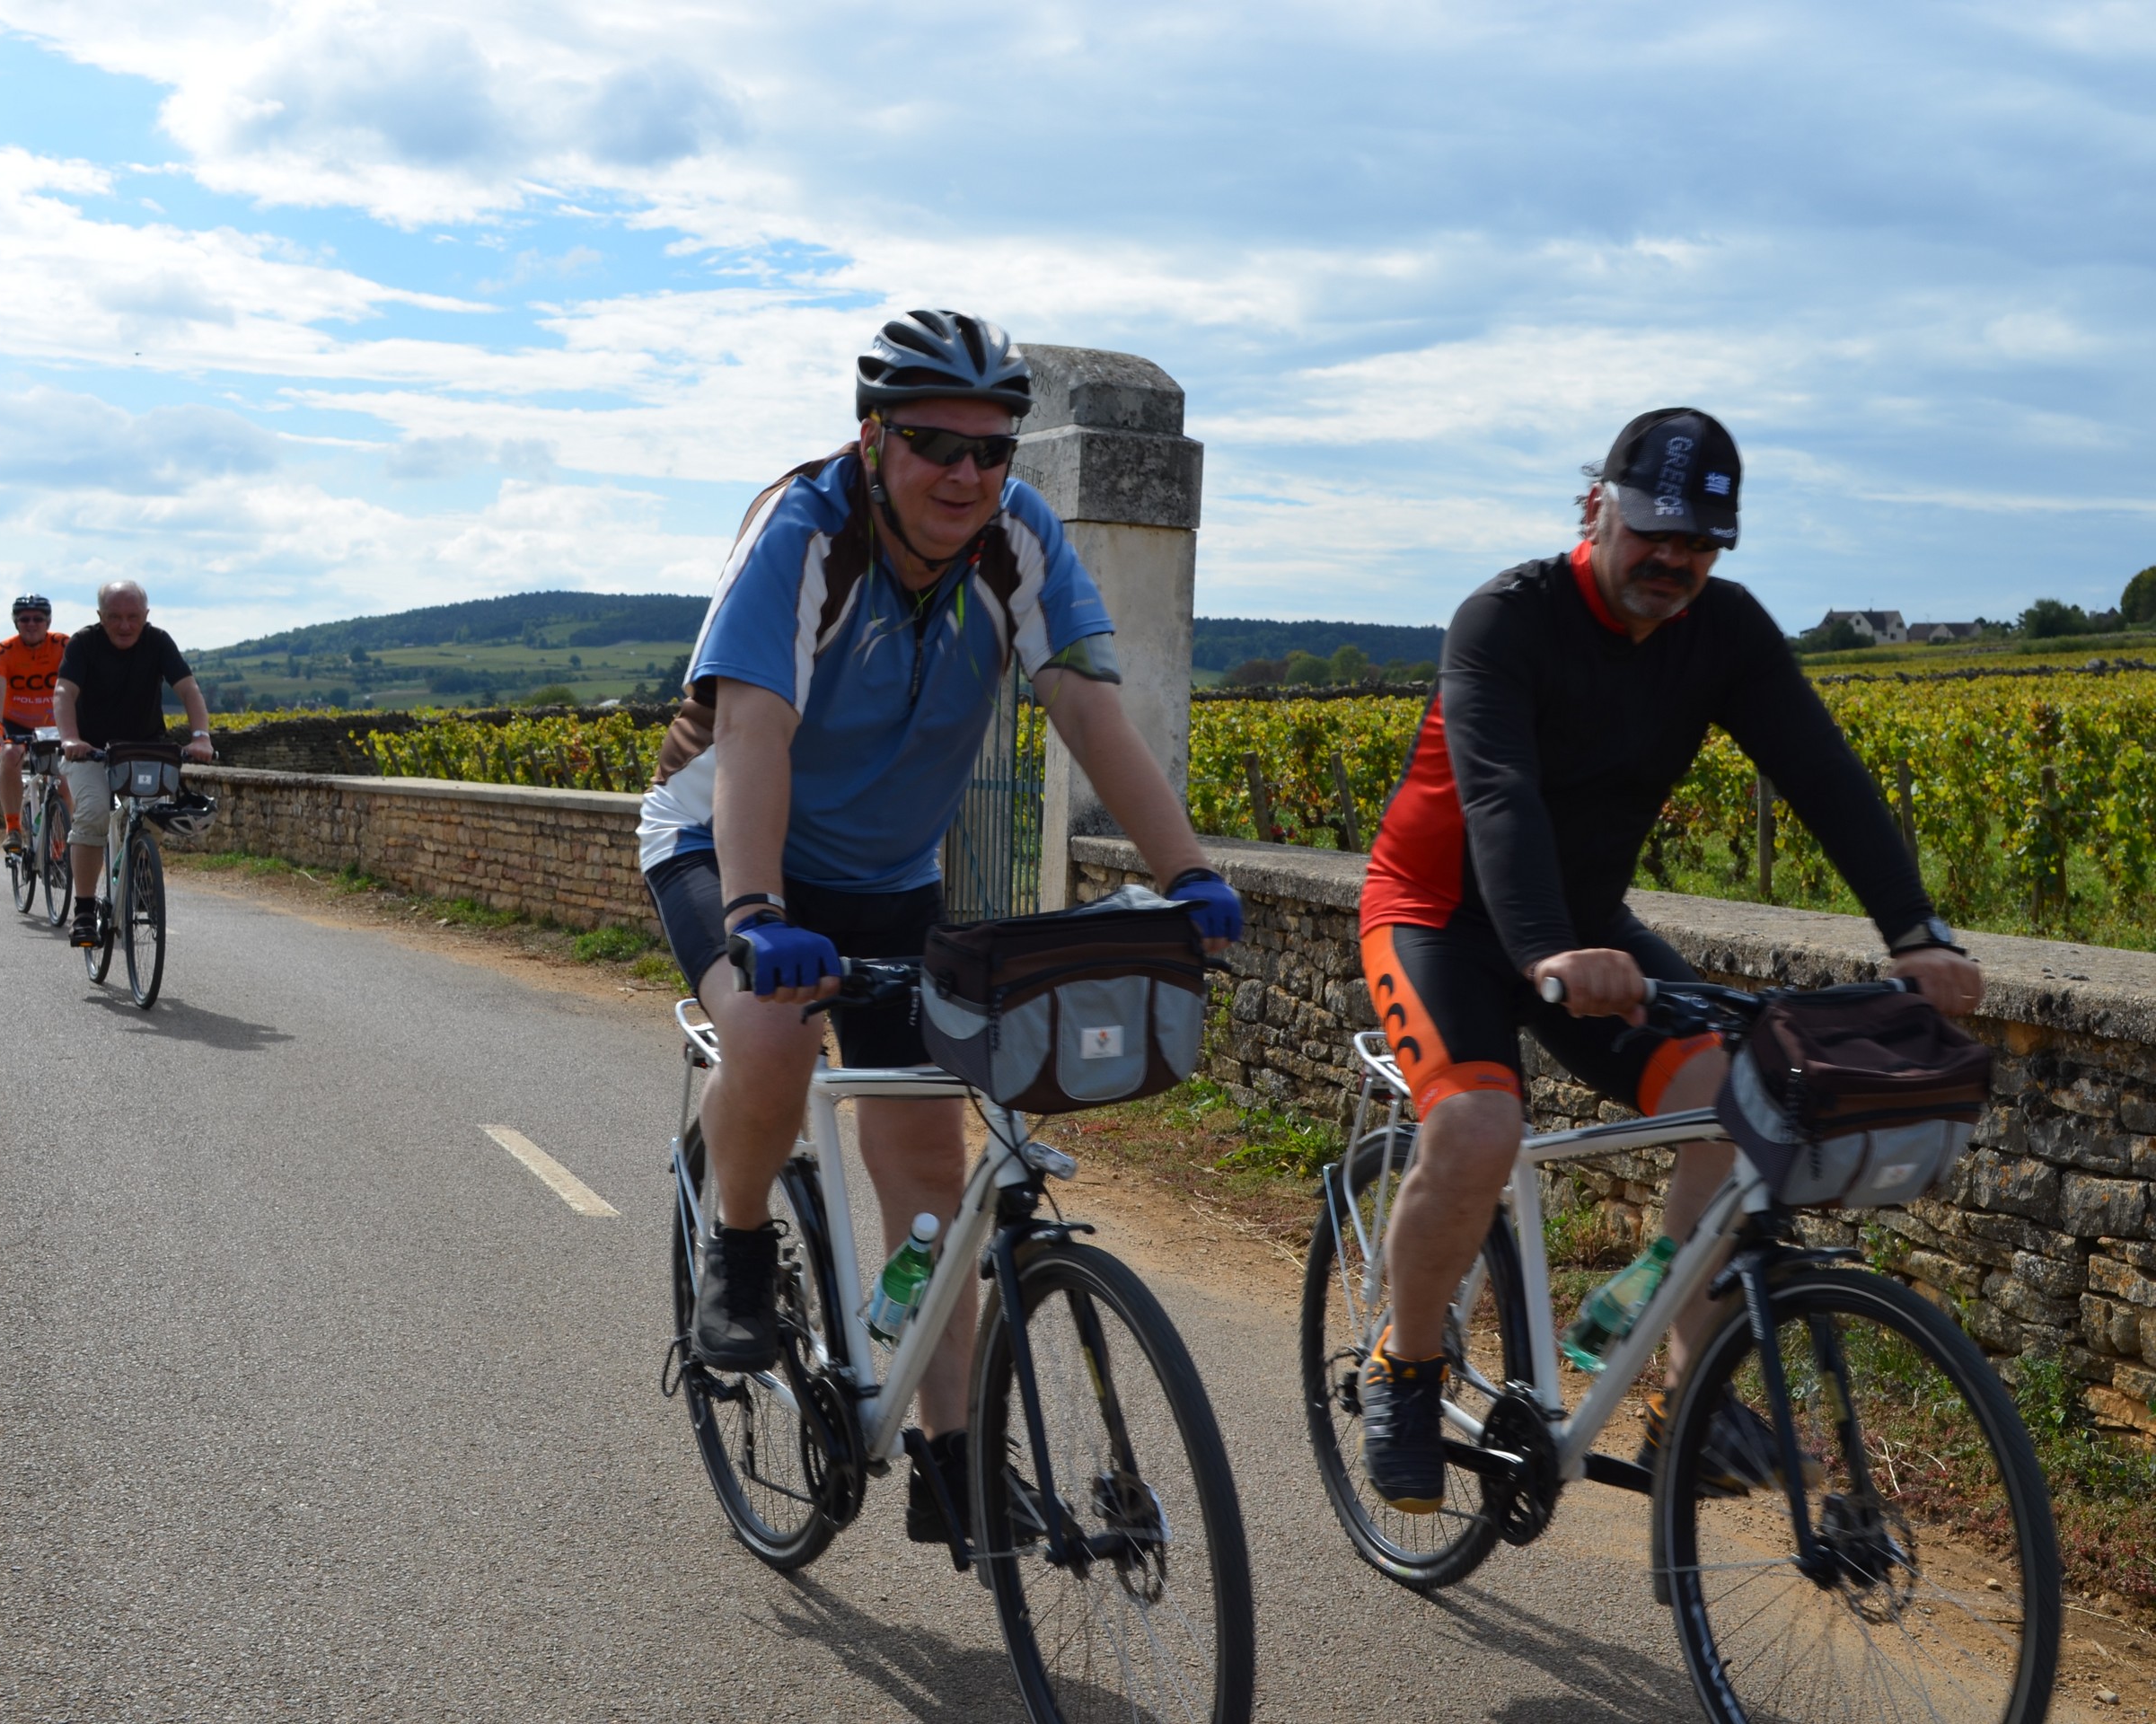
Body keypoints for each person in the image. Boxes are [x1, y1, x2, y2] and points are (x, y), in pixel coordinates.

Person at [638, 309, 1242, 1543]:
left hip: (890, 876)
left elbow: (1085, 709)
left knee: (929, 1169)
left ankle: (953, 1455)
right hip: (728, 843)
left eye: (993, 450)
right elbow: (752, 733)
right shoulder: (805, 532)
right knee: (769, 1032)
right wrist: (756, 912)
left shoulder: (1017, 538)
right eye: (935, 445)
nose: (968, 474)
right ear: (874, 440)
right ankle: (739, 1254)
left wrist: (1188, 875)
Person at [1355, 408, 1984, 1514]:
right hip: (1440, 915)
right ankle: (1403, 1371)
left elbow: (1822, 774)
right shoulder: (1504, 620)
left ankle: (1682, 1396)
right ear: (1594, 509)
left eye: (1701, 543)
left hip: (1585, 925)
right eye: (1653, 532)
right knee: (1477, 1125)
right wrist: (1546, 948)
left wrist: (1914, 933)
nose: (1674, 561)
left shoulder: (1724, 632)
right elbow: (1498, 794)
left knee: (1728, 1096)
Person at [53, 582, 215, 949]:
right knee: (93, 812)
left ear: (145, 617)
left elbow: (188, 689)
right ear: (100, 617)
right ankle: (83, 910)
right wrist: (70, 739)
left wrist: (201, 735)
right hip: (90, 750)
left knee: (157, 812)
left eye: (133, 618)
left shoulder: (158, 642)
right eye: (114, 618)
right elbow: (64, 692)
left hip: (145, 748)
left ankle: (140, 874)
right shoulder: (83, 644)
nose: (124, 626)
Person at [0, 594, 70, 853]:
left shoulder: (65, 645)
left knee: (66, 777)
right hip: (15, 721)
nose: (31, 624)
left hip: (54, 721)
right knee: (10, 755)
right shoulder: (2, 651)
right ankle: (13, 828)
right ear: (15, 622)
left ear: (48, 621)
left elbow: (80, 684)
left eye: (38, 619)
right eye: (24, 619)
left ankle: (58, 841)